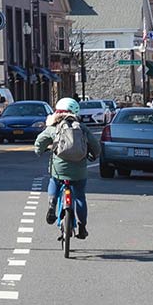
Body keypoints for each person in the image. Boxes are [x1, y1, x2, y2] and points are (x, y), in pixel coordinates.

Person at [36, 96, 97, 239]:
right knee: (80, 197)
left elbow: (39, 142)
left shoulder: (54, 127)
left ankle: (52, 205)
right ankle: (82, 228)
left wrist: (40, 150)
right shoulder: (82, 128)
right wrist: (93, 155)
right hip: (79, 171)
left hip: (59, 169)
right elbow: (96, 147)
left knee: (54, 181)